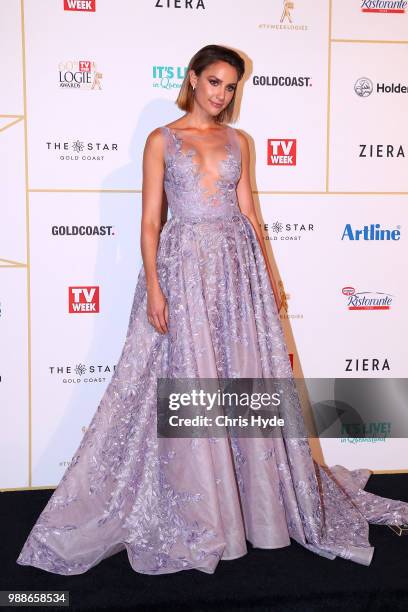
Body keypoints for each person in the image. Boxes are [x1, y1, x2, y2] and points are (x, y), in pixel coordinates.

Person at [16, 44, 408, 576]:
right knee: (189, 380)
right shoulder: (162, 139)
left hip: (237, 269)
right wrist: (156, 287)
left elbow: (249, 212)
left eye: (231, 86)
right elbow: (150, 222)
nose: (222, 94)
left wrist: (268, 279)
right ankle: (204, 509)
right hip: (183, 270)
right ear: (193, 79)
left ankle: (257, 506)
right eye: (215, 82)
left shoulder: (239, 141)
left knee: (243, 379)